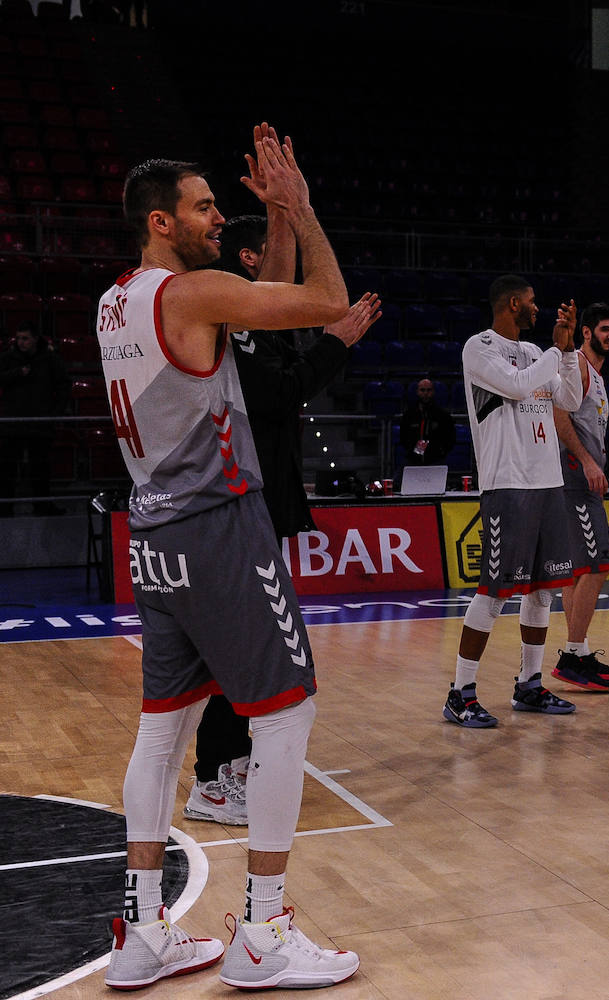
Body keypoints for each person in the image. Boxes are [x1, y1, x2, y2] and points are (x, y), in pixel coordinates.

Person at [97, 125, 359, 990]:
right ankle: (264, 931)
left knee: (162, 729)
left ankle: (142, 932)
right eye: (205, 207)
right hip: (218, 527)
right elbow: (324, 298)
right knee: (285, 713)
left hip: (155, 536)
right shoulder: (192, 295)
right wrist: (302, 207)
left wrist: (272, 227)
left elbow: (258, 299)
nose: (219, 218)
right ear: (162, 222)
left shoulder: (121, 301)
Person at [183, 213, 381, 827]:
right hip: (231, 501)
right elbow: (282, 392)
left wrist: (285, 212)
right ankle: (213, 779)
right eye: (274, 255)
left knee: (251, 646)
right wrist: (338, 340)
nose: (290, 274)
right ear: (249, 260)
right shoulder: (231, 326)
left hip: (259, 499)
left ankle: (232, 764)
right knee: (238, 648)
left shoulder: (255, 326)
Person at [441, 274, 583, 728]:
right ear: (514, 304)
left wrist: (569, 350)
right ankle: (460, 693)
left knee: (543, 590)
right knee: (496, 592)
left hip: (548, 482)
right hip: (507, 483)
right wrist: (554, 351)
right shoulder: (478, 347)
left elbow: (573, 399)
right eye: (533, 302)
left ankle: (530, 684)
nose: (539, 309)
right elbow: (520, 386)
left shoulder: (535, 353)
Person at [550, 302, 609, 692]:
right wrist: (586, 461)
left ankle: (579, 652)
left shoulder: (596, 375)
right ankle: (570, 656)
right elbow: (558, 414)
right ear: (586, 332)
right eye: (604, 329)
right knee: (598, 566)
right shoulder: (579, 366)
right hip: (573, 478)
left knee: (579, 571)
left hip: (582, 478)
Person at [0, 322, 70, 515]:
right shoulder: (8, 358)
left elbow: (64, 386)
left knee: (40, 468)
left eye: (25, 338)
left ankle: (42, 506)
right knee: (7, 469)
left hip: (40, 424)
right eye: (19, 338)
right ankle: (5, 508)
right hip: (12, 424)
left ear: (35, 339)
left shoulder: (50, 360)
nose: (21, 342)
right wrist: (16, 373)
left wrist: (55, 414)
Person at [399, 377, 456, 467]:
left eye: (429, 390)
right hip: (413, 459)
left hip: (436, 459)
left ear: (433, 392)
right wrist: (413, 450)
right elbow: (403, 437)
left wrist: (440, 451)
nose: (426, 393)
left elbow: (450, 438)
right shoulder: (409, 415)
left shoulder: (442, 415)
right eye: (422, 390)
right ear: (417, 392)